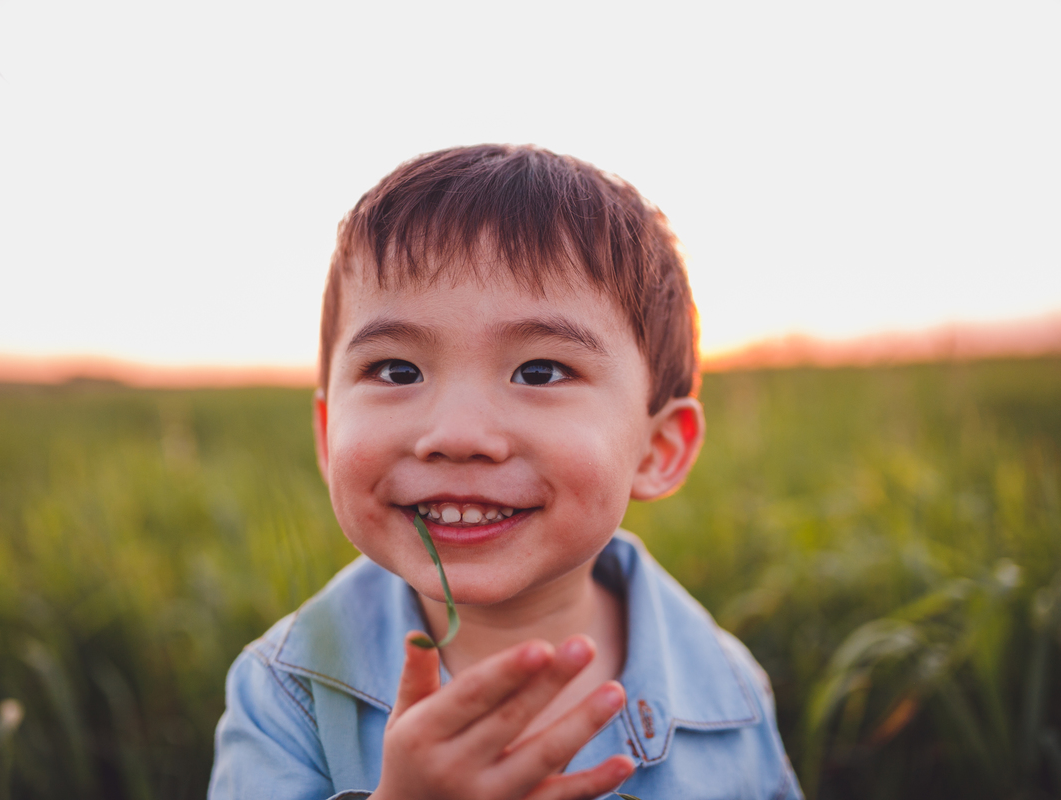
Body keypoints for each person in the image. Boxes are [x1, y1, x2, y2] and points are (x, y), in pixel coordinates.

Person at [208, 144, 803, 800]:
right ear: (326, 436)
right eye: (396, 370)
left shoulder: (728, 693)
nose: (458, 436)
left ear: (657, 449)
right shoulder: (286, 694)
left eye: (540, 372)